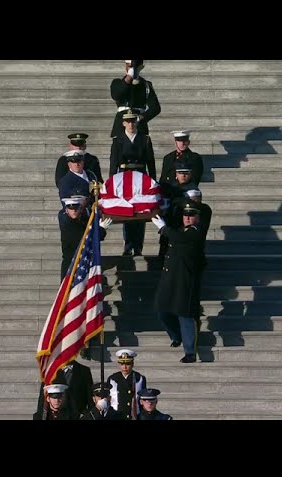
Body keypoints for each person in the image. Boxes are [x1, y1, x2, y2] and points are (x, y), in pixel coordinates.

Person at [151, 203, 205, 363]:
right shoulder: (180, 231)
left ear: (197, 218)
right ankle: (176, 335)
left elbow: (180, 239)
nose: (187, 218)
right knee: (162, 311)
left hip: (184, 279)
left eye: (191, 215)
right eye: (185, 215)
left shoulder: (196, 232)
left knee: (185, 314)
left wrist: (164, 229)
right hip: (170, 277)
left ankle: (190, 351)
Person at [109, 109, 156, 257]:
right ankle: (128, 244)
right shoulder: (118, 140)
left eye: (133, 121)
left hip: (141, 177)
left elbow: (151, 163)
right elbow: (113, 164)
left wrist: (153, 181)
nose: (131, 124)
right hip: (125, 178)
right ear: (123, 123)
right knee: (128, 211)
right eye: (128, 121)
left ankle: (138, 246)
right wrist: (111, 183)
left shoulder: (145, 139)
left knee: (141, 210)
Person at [59, 197, 111, 280]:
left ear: (80, 209)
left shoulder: (81, 221)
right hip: (71, 265)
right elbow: (86, 240)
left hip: (82, 263)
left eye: (76, 208)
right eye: (70, 208)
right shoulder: (68, 224)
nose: (74, 211)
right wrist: (100, 229)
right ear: (66, 210)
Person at [110, 60, 161, 138]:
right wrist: (129, 78)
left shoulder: (146, 85)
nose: (132, 69)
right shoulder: (117, 83)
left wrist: (142, 117)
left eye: (134, 67)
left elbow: (155, 108)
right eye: (129, 66)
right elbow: (116, 95)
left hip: (139, 126)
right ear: (125, 66)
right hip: (121, 124)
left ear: (141, 67)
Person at [107, 349, 147, 420]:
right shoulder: (112, 379)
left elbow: (142, 399)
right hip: (116, 415)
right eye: (122, 364)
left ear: (132, 364)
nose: (124, 367)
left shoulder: (139, 378)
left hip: (133, 415)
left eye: (127, 364)